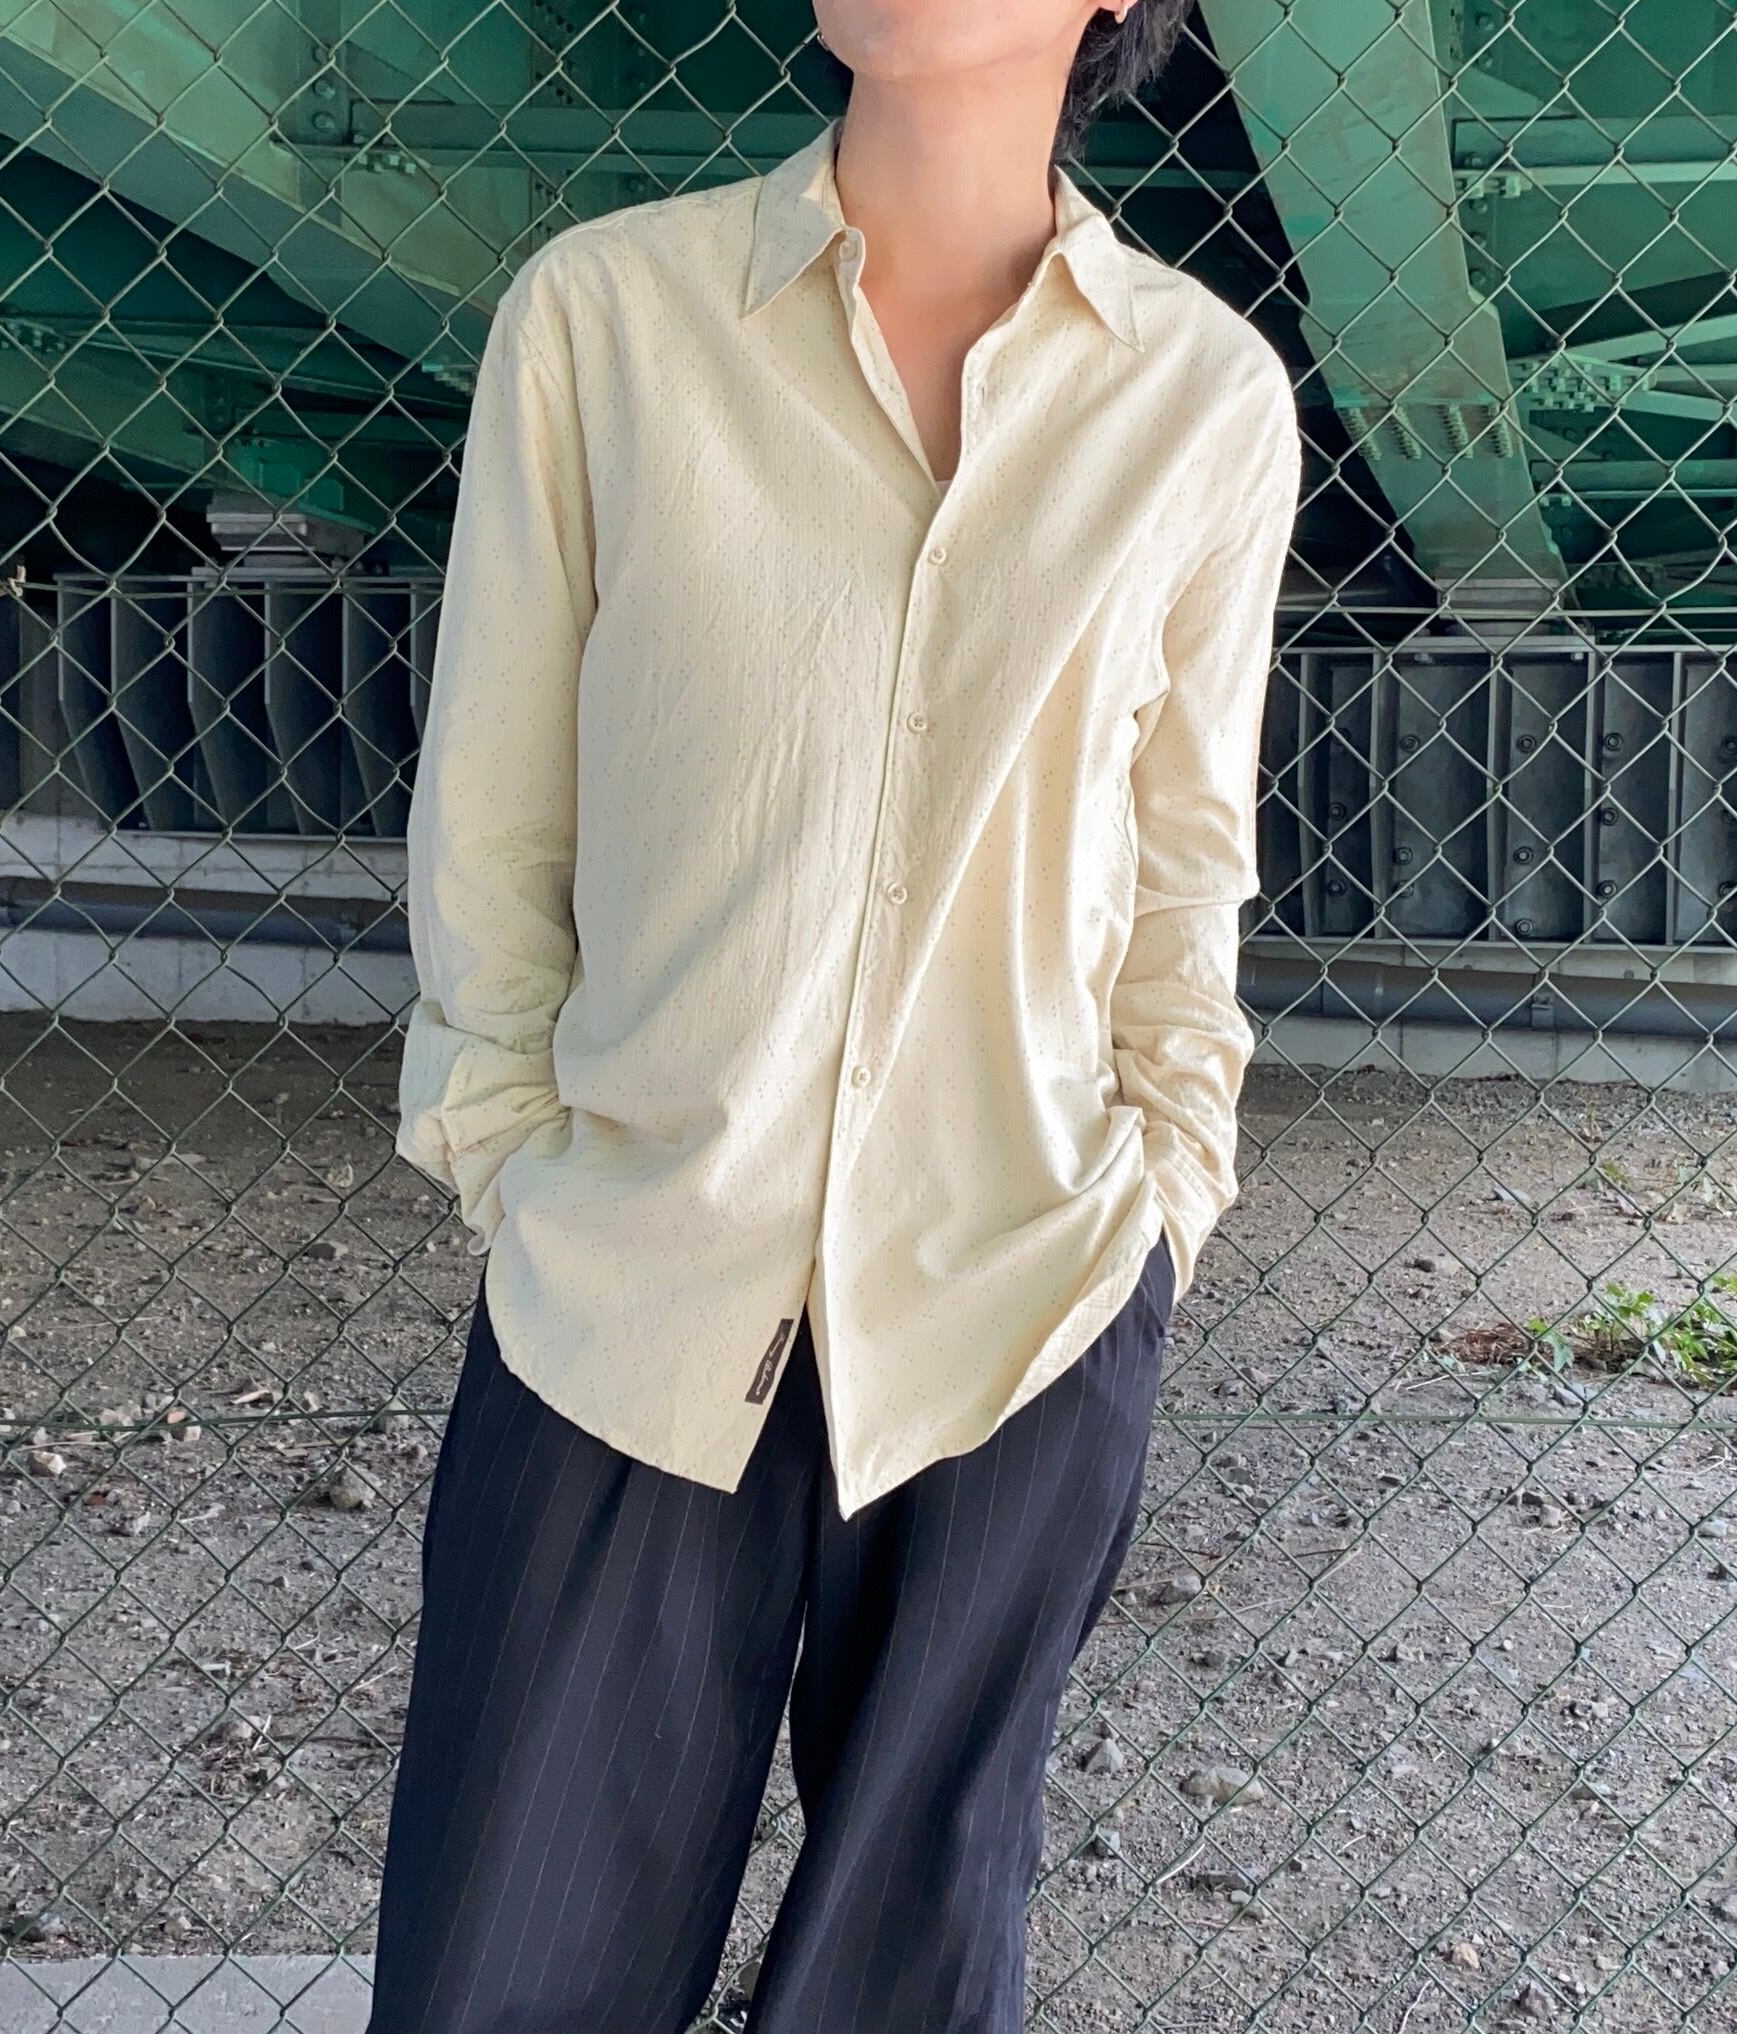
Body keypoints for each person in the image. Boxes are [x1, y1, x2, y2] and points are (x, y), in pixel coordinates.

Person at [371, 2, 1302, 2028]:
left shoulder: (1200, 402)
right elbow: (495, 815)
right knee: (499, 1968)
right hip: (626, 1293)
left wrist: (1162, 1201)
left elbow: (1183, 874)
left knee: (908, 1981)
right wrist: (519, 1163)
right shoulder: (608, 323)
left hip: (1020, 1293)